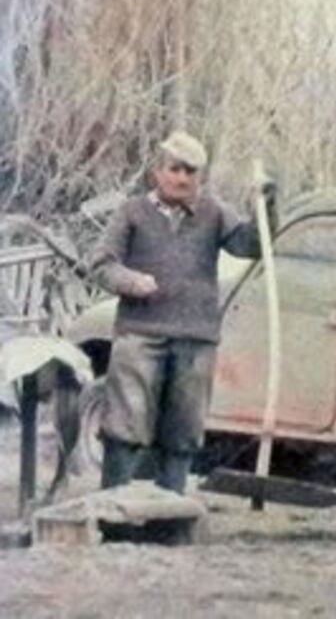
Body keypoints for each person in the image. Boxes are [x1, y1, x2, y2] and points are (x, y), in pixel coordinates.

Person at [90, 131, 277, 493]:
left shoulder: (215, 212)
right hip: (140, 333)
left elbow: (252, 245)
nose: (182, 178)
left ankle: (170, 510)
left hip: (195, 337)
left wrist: (266, 205)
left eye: (191, 172)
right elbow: (101, 264)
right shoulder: (132, 212)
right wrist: (130, 281)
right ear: (157, 171)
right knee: (125, 425)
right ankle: (112, 506)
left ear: (200, 177)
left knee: (183, 430)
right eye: (175, 169)